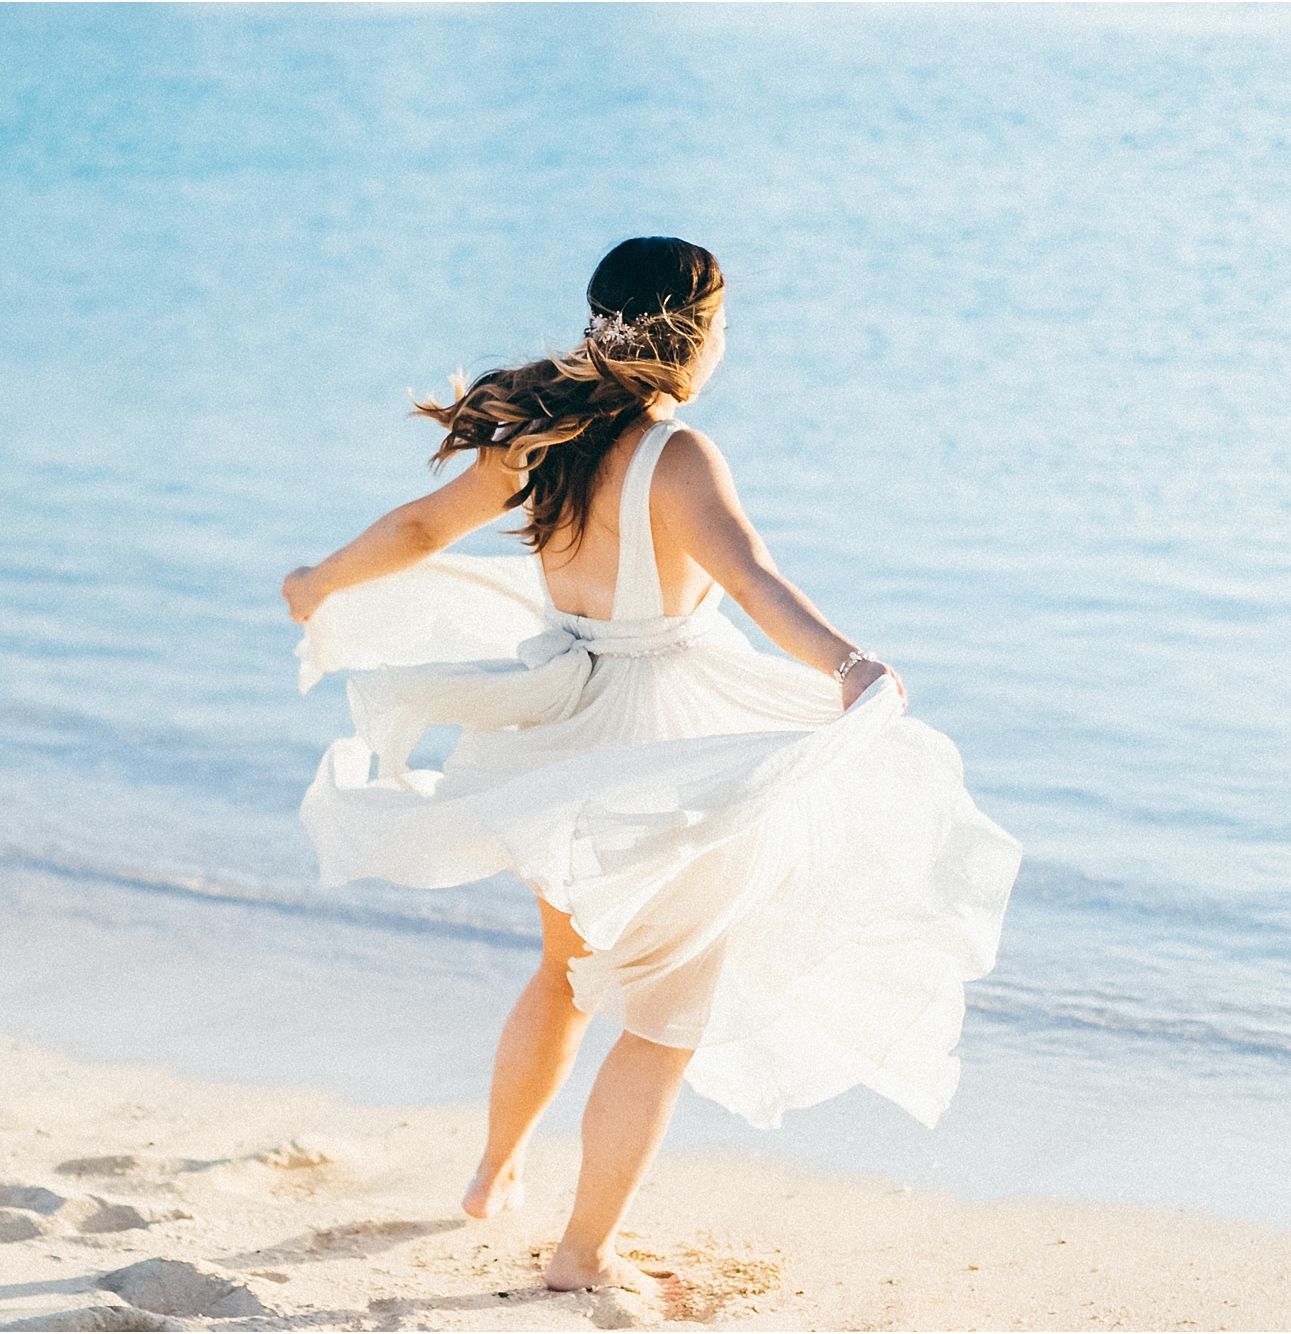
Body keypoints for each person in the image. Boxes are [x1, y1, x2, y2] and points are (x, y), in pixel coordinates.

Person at [281, 237, 1019, 1303]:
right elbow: (752, 580)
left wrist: (318, 579)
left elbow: (415, 527)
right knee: (663, 1017)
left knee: (562, 974)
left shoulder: (542, 439)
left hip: (555, 726)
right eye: (723, 327)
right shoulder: (675, 457)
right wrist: (850, 663)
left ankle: (495, 1170)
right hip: (658, 743)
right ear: (697, 336)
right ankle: (579, 1252)